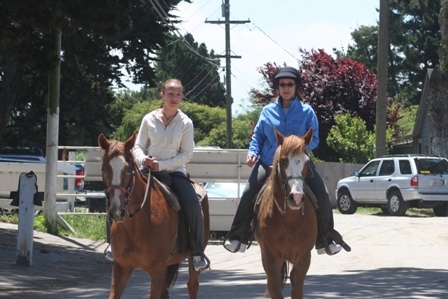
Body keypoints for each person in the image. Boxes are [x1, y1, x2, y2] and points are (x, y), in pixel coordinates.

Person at [224, 66, 343, 256]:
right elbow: (258, 137)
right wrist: (252, 153)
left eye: (290, 84)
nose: (286, 88)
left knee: (322, 193)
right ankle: (239, 235)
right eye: (282, 85)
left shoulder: (307, 112)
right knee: (248, 193)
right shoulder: (267, 111)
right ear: (277, 88)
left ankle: (326, 238)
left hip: (299, 164)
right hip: (268, 163)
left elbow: (315, 140)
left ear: (296, 87)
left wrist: (296, 155)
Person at [132, 78, 208, 272]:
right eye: (170, 94)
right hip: (147, 171)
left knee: (192, 203)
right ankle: (113, 245)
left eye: (178, 94)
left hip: (174, 172)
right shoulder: (148, 119)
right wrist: (143, 160)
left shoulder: (186, 123)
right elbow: (138, 146)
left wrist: (162, 165)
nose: (174, 98)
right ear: (162, 95)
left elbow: (186, 154)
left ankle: (197, 252)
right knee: (120, 194)